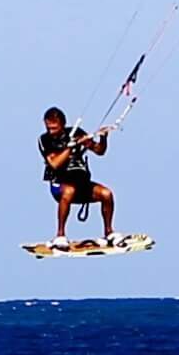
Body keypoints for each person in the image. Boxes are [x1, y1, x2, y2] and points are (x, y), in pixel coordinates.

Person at [38, 106, 126, 250]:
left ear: (62, 124)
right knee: (69, 191)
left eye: (54, 128)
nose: (51, 131)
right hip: (60, 185)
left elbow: (99, 151)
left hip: (82, 184)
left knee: (106, 194)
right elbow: (54, 163)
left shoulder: (76, 133)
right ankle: (60, 235)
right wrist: (72, 146)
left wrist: (103, 138)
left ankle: (109, 233)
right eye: (48, 128)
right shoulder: (45, 140)